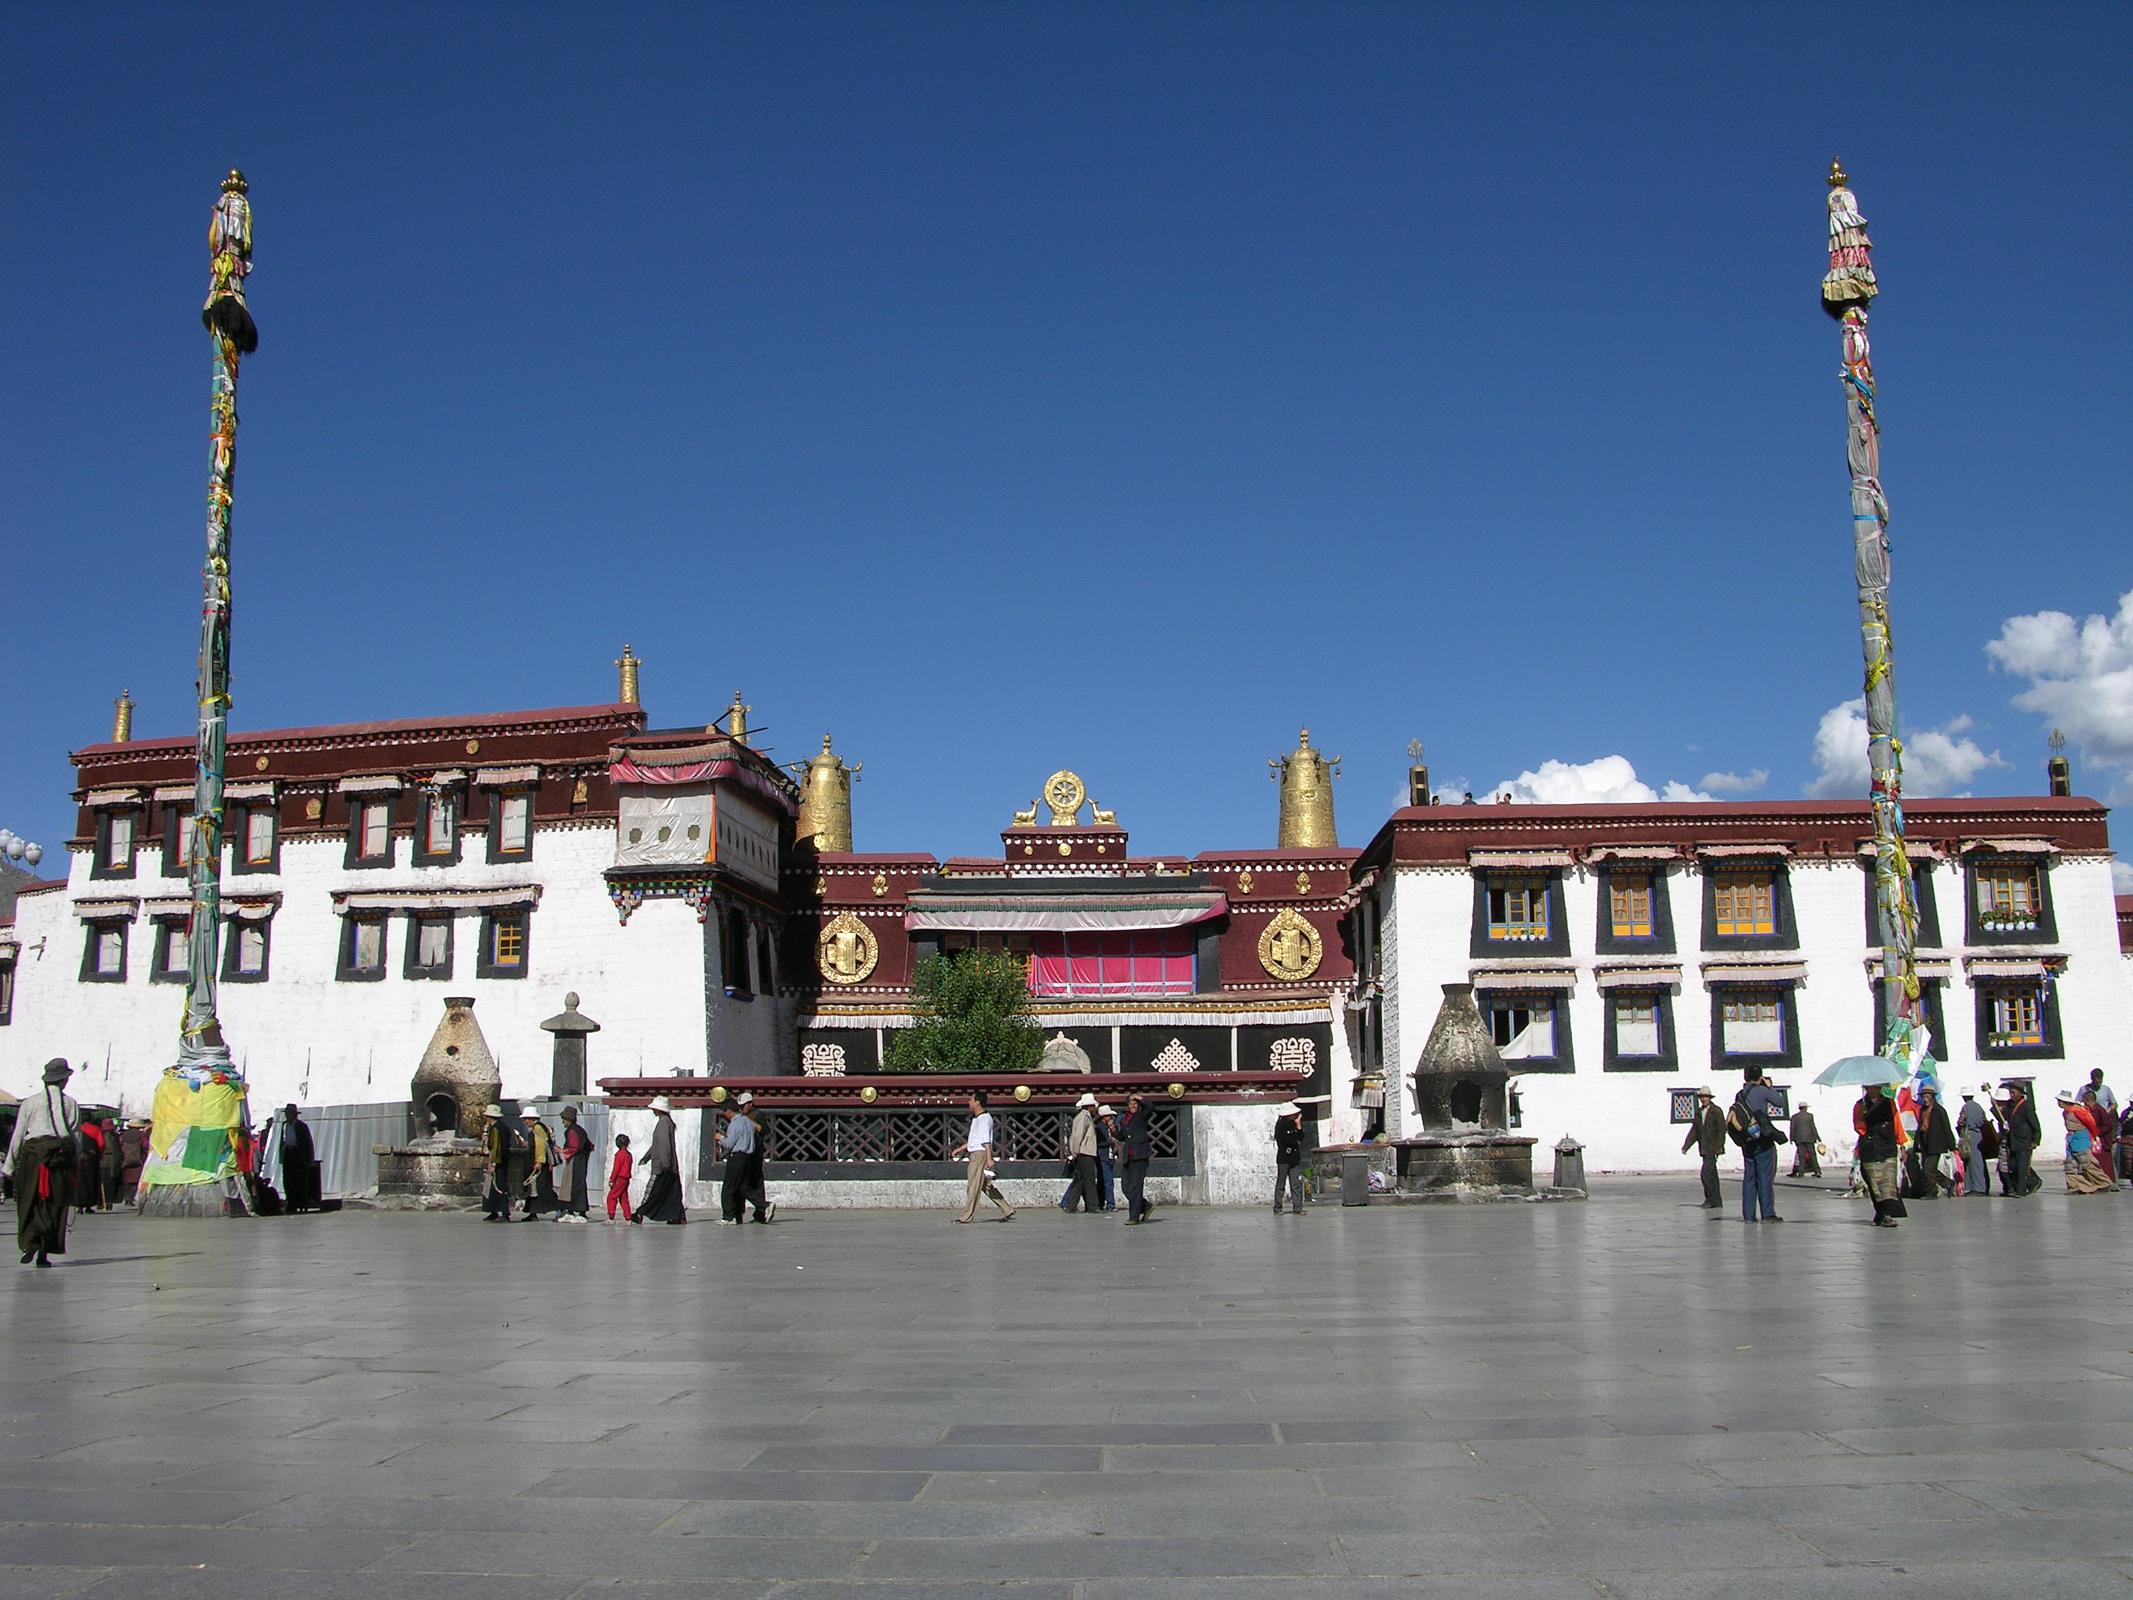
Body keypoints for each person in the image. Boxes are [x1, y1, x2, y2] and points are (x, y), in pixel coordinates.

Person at [8, 1060, 80, 1267]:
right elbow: (75, 1136)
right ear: (64, 1080)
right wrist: (76, 1161)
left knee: (31, 1200)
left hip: (34, 1158)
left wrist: (10, 1165)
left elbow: (19, 1134)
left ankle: (31, 1242)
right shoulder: (70, 1103)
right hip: (60, 1158)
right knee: (54, 1203)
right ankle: (44, 1253)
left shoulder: (30, 1103)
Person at [950, 1091, 1014, 1224]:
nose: (969, 1102)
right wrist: (961, 1149)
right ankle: (1006, 1209)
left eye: (971, 1100)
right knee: (985, 1185)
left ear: (977, 1102)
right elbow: (976, 1139)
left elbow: (986, 1141)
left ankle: (966, 1216)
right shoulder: (978, 1118)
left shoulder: (984, 1119)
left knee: (973, 1185)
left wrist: (989, 1159)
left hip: (979, 1154)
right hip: (977, 1152)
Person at [1728, 1073, 1784, 1223]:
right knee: (1765, 1178)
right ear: (1759, 1077)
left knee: (1749, 1178)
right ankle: (1768, 1214)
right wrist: (1770, 1088)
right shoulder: (1762, 1090)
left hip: (1747, 1140)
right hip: (1762, 1139)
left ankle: (1749, 1215)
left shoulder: (1740, 1094)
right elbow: (1780, 1102)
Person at [1853, 1082, 1904, 1228]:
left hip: (1887, 1146)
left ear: (1879, 1088)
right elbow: (1858, 1127)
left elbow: (1896, 1122)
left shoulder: (1889, 1103)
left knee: (1888, 1182)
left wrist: (1901, 1142)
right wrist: (1863, 1117)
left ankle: (1886, 1215)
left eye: (1875, 1087)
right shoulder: (1859, 1105)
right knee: (1873, 1183)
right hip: (1870, 1148)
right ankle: (1880, 1212)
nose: (1872, 1090)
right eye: (1869, 1087)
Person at [717, 1093, 774, 1224]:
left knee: (735, 1187)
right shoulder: (745, 1120)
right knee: (742, 1187)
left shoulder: (754, 1117)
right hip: (748, 1156)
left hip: (746, 1157)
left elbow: (763, 1131)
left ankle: (734, 1215)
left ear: (750, 1104)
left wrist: (720, 1138)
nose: (742, 1108)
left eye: (744, 1106)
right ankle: (742, 1213)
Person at [635, 1096, 688, 1224]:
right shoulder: (666, 1122)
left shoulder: (664, 1123)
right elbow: (657, 1145)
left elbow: (664, 1145)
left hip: (663, 1166)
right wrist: (646, 1158)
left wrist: (665, 1164)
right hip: (670, 1165)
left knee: (653, 1191)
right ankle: (678, 1217)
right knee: (673, 1193)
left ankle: (639, 1213)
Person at [2059, 1091, 2114, 1194]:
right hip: (2072, 1139)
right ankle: (2076, 1186)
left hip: (2081, 1139)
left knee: (2087, 1164)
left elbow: (2091, 1123)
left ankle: (2104, 1183)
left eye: (2059, 1101)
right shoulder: (2065, 1112)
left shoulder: (2078, 1110)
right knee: (2070, 1165)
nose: (2058, 1103)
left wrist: (2093, 1137)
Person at [1682, 1087, 1726, 1209]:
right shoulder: (1699, 1112)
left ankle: (1710, 1199)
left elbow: (1722, 1130)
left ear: (1710, 1098)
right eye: (1702, 1097)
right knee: (1712, 1175)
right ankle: (1717, 1201)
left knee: (1705, 1174)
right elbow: (1695, 1131)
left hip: (1713, 1148)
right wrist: (1686, 1146)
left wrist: (1719, 1147)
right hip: (1704, 1148)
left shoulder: (1716, 1111)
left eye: (1706, 1097)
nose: (1704, 1099)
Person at [1114, 1092, 1155, 1224]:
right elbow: (1121, 1136)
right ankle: (1145, 1206)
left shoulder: (1141, 1116)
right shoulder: (1124, 1119)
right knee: (1126, 1187)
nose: (1133, 1105)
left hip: (1139, 1155)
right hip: (1128, 1157)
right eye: (1131, 1103)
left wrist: (1140, 1098)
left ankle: (1134, 1217)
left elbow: (1150, 1107)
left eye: (1135, 1104)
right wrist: (1113, 1129)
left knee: (1135, 1187)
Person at [1911, 1086, 1956, 1199]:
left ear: (1932, 1097)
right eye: (1924, 1096)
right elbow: (1919, 1127)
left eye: (1927, 1096)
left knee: (1928, 1170)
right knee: (1930, 1169)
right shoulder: (1922, 1110)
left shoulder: (1939, 1110)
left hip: (1936, 1143)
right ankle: (1948, 1183)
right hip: (1925, 1143)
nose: (1925, 1099)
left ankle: (1932, 1192)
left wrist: (1952, 1145)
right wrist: (1916, 1143)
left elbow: (1946, 1128)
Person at [480, 1104, 521, 1222]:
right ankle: (493, 1210)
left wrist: (493, 1163)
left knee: (499, 1186)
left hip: (498, 1160)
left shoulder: (497, 1129)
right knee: (492, 1186)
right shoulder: (499, 1127)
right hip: (499, 1159)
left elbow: (497, 1147)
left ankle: (504, 1213)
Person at [1066, 1092, 1102, 1217]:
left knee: (1080, 1180)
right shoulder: (1084, 1117)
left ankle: (1070, 1205)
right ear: (1089, 1106)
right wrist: (1075, 1151)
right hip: (1084, 1152)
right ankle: (1093, 1206)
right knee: (1089, 1179)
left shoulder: (1083, 1116)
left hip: (1082, 1152)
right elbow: (1077, 1136)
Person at [2003, 1081, 2042, 1197]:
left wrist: (2036, 1140)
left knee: (2022, 1167)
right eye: (2010, 1092)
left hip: (2025, 1141)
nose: (2011, 1095)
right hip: (2013, 1141)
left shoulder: (2026, 1106)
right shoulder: (2009, 1106)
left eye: (2013, 1092)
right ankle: (2034, 1181)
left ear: (2020, 1093)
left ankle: (2020, 1191)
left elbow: (2035, 1124)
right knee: (2013, 1165)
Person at [522, 1109, 562, 1218]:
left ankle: (559, 1207)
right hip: (535, 1162)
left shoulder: (538, 1128)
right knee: (533, 1189)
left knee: (542, 1188)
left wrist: (539, 1161)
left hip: (539, 1164)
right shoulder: (537, 1128)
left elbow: (541, 1145)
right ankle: (532, 1212)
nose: (525, 1121)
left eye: (526, 1119)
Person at [279, 1104, 319, 1214]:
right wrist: (281, 1156)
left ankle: (300, 1203)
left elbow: (307, 1143)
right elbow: (282, 1141)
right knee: (287, 1180)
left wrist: (308, 1158)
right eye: (287, 1114)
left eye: (289, 1114)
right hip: (288, 1153)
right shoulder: (284, 1126)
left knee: (299, 1180)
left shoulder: (301, 1126)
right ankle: (291, 1203)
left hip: (298, 1154)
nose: (288, 1116)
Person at [558, 1106, 594, 1221]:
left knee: (573, 1185)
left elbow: (574, 1147)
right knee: (578, 1184)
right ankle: (576, 1209)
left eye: (564, 1119)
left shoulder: (573, 1130)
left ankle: (575, 1209)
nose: (562, 1121)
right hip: (580, 1160)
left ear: (568, 1119)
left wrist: (561, 1151)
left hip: (576, 1161)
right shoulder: (578, 1129)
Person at [1272, 1102, 1307, 1216]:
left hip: (1294, 1158)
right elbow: (1287, 1140)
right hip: (1284, 1158)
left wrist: (1298, 1125)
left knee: (1295, 1183)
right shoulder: (1281, 1125)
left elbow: (1300, 1138)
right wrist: (1295, 1140)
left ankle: (1298, 1208)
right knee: (1281, 1184)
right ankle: (1277, 1207)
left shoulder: (1293, 1124)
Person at [1956, 1089, 1990, 1196]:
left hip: (1969, 1136)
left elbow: (1961, 1121)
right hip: (1979, 1135)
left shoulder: (1965, 1108)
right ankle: (1981, 1186)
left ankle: (1975, 1187)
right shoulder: (1978, 1107)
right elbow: (1984, 1119)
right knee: (1978, 1162)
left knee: (1971, 1162)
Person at [2088, 1069, 2118, 1183]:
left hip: (2103, 1122)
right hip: (2092, 1124)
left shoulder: (2106, 1089)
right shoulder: (2085, 1089)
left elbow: (2114, 1104)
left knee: (2106, 1156)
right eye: (2096, 1081)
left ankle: (2110, 1180)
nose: (2098, 1083)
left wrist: (2107, 1111)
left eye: (2100, 1081)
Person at [75, 1114, 108, 1214]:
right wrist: (100, 1154)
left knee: (80, 1180)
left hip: (78, 1157)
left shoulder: (77, 1129)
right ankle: (88, 1206)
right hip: (92, 1157)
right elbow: (101, 1144)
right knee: (91, 1180)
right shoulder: (96, 1129)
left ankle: (79, 1205)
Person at [605, 1133, 635, 1224]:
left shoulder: (619, 1155)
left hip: (620, 1179)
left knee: (611, 1197)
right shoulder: (629, 1155)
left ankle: (611, 1217)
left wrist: (612, 1180)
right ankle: (628, 1217)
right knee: (623, 1198)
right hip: (626, 1179)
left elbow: (616, 1169)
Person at [1788, 1100, 1822, 1178]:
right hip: (1810, 1138)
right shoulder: (1810, 1116)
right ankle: (1817, 1171)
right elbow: (1813, 1127)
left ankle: (1801, 1172)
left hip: (1799, 1138)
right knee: (1812, 1155)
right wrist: (1817, 1137)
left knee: (1801, 1156)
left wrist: (1791, 1138)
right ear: (1805, 1108)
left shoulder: (1794, 1117)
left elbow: (1792, 1128)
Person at [101, 1110, 127, 1211]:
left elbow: (109, 1148)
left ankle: (106, 1202)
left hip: (107, 1162)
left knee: (106, 1182)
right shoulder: (113, 1136)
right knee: (110, 1183)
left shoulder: (107, 1136)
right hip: (113, 1162)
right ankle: (108, 1201)